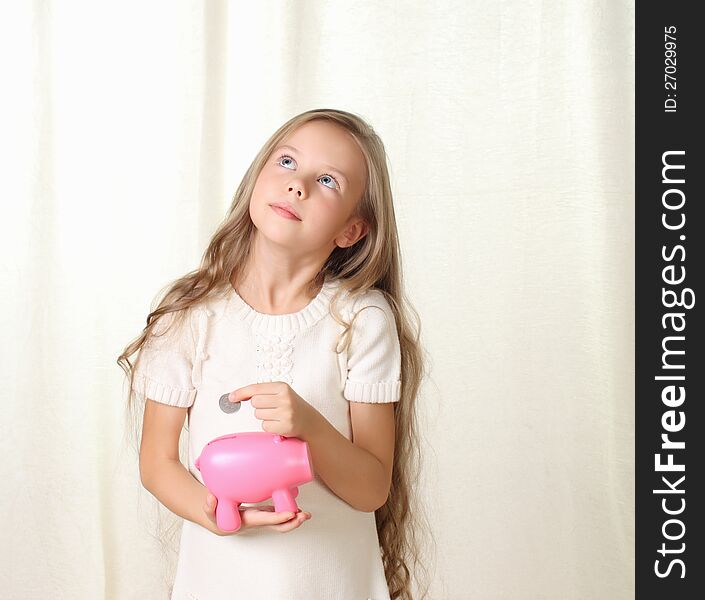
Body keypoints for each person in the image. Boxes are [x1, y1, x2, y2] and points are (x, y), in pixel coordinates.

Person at [118, 109, 433, 600]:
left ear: (351, 230)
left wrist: (306, 422)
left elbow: (372, 488)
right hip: (220, 582)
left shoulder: (363, 320)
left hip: (331, 583)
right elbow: (157, 464)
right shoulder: (191, 314)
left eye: (327, 180)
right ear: (257, 177)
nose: (298, 185)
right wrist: (220, 516)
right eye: (287, 162)